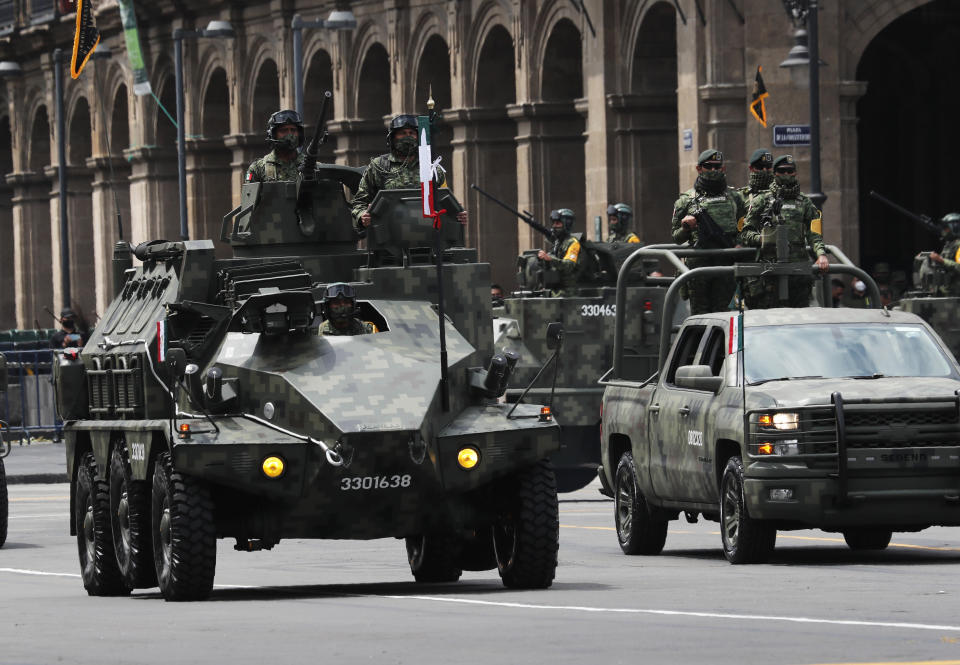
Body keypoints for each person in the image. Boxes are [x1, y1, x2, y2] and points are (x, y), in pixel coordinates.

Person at [740, 155, 829, 309]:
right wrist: (763, 239)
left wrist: (821, 254)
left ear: (795, 173)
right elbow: (746, 232)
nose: (786, 175)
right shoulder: (762, 200)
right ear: (775, 173)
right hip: (770, 271)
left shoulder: (805, 202)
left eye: (790, 171)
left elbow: (814, 234)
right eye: (782, 171)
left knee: (800, 318)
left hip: (798, 270)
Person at [351, 114, 468, 231]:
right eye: (402, 133)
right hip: (388, 238)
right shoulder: (379, 167)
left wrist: (458, 213)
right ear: (393, 137)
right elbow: (359, 202)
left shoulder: (431, 168)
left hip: (428, 237)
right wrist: (362, 215)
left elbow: (445, 201)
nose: (407, 137)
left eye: (411, 133)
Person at [671, 149, 747, 314]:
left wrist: (740, 243)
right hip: (699, 267)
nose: (713, 170)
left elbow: (744, 227)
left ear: (723, 168)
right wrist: (686, 227)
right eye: (709, 166)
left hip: (726, 265)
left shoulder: (735, 197)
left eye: (717, 166)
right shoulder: (686, 200)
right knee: (700, 316)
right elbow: (676, 238)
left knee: (724, 314)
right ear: (699, 169)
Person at [245, 109, 306, 182]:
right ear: (273, 135)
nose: (290, 134)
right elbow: (249, 192)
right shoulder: (257, 169)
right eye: (284, 130)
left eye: (293, 130)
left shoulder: (311, 166)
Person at [538, 208, 582, 296]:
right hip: (556, 288)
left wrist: (550, 259)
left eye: (557, 223)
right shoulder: (558, 242)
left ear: (567, 224)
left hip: (569, 292)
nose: (554, 226)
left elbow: (569, 265)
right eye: (553, 223)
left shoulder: (573, 243)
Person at [926, 213, 960, 296]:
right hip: (947, 292)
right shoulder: (949, 245)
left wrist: (941, 260)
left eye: (946, 228)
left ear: (955, 228)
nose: (943, 230)